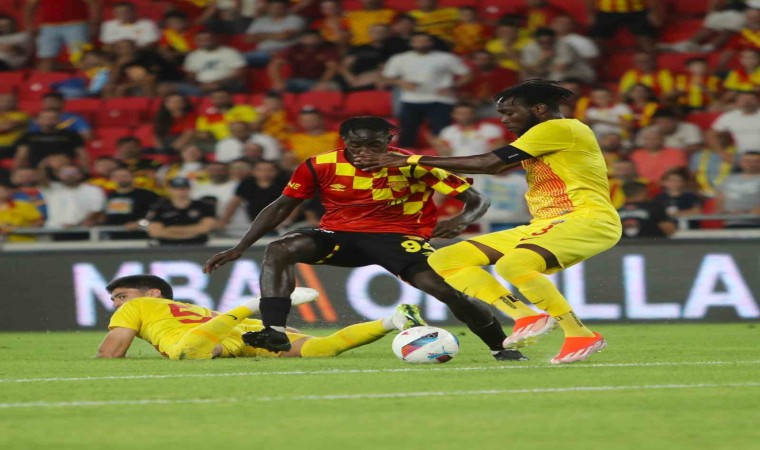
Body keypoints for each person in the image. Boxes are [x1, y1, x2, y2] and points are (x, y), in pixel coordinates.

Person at [204, 116, 525, 361]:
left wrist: (460, 220)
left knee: (447, 292)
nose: (364, 153)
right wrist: (241, 247)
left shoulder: (413, 165)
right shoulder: (319, 165)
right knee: (280, 248)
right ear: (344, 141)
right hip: (339, 235)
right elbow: (282, 206)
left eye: (374, 146)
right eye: (356, 146)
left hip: (398, 237)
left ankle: (501, 347)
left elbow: (477, 199)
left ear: (388, 141)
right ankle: (275, 331)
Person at [353, 80, 623, 364]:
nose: (504, 120)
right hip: (549, 222)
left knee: (514, 264)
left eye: (510, 112)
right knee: (446, 260)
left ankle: (579, 334)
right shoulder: (543, 137)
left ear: (540, 109)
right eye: (501, 113)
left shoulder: (558, 128)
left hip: (585, 217)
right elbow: (494, 166)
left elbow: (489, 163)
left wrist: (412, 161)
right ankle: (527, 316)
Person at [97, 274, 427, 359]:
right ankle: (393, 321)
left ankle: (257, 301)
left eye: (121, 296)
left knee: (187, 353)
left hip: (203, 339)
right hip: (234, 333)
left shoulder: (137, 307)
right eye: (114, 299)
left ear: (153, 293)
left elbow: (110, 353)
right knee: (320, 348)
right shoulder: (198, 310)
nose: (117, 303)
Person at [382, 32, 471, 148]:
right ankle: (405, 156)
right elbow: (386, 78)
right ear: (411, 43)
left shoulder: (446, 58)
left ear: (431, 43)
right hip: (411, 99)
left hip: (441, 99)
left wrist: (453, 86)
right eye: (418, 41)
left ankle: (443, 156)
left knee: (441, 133)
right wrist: (401, 82)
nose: (422, 44)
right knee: (407, 133)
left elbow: (467, 74)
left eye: (425, 41)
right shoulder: (399, 59)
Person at [145, 177, 216, 246]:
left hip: (198, 246)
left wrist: (170, 230)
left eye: (184, 188)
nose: (180, 191)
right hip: (166, 247)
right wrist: (192, 231)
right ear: (169, 189)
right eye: (176, 188)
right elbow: (154, 232)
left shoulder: (203, 206)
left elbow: (205, 228)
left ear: (189, 189)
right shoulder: (159, 208)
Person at [99, 167, 159, 240]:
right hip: (112, 237)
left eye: (125, 176)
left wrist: (140, 224)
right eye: (117, 176)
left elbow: (157, 215)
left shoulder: (147, 195)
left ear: (132, 177)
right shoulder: (107, 196)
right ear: (112, 179)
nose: (121, 179)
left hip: (140, 237)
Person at [715, 151, 760, 228]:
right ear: (741, 163)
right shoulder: (728, 179)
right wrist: (724, 212)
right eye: (747, 161)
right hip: (730, 223)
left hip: (756, 224)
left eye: (756, 161)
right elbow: (720, 200)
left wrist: (748, 213)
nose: (752, 164)